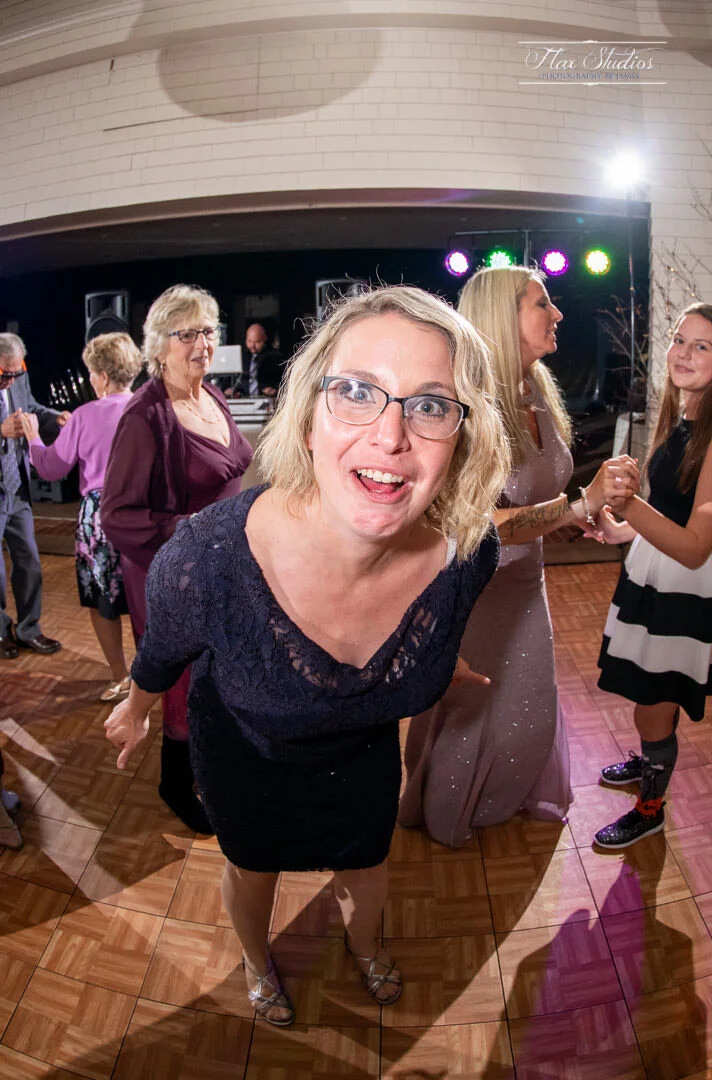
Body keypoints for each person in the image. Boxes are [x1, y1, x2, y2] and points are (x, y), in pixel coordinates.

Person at [104, 284, 510, 1027]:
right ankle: (257, 962)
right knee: (252, 866)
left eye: (429, 405)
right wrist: (135, 707)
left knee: (368, 858)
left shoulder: (467, 556)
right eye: (356, 392)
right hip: (247, 754)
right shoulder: (209, 558)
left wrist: (435, 661)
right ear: (307, 416)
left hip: (359, 755)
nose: (391, 437)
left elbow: (434, 627)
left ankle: (367, 946)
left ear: (465, 434)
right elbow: (163, 647)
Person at [399, 267, 637, 847]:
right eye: (542, 304)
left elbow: (539, 499)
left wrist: (583, 519)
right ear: (503, 318)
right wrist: (578, 506)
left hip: (528, 582)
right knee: (475, 708)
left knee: (527, 705)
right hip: (478, 591)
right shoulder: (468, 407)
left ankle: (502, 796)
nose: (557, 314)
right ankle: (450, 809)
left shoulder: (536, 389)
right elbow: (474, 525)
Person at [101, 285, 253, 833]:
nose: (201, 344)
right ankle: (175, 780)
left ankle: (213, 764)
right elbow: (117, 515)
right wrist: (191, 530)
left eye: (208, 331)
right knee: (184, 677)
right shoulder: (145, 418)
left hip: (223, 566)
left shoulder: (212, 395)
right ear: (158, 347)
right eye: (185, 334)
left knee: (219, 671)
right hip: (172, 575)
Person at [594, 302, 712, 848]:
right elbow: (668, 511)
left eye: (702, 346)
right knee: (650, 694)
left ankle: (651, 808)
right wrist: (621, 529)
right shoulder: (684, 414)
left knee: (654, 701)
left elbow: (694, 547)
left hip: (683, 589)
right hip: (654, 576)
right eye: (679, 340)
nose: (683, 354)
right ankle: (651, 757)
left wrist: (628, 504)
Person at [23, 333, 143, 701]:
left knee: (103, 601)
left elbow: (51, 468)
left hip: (100, 519)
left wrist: (33, 438)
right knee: (146, 598)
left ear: (103, 376)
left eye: (92, 373)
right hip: (143, 513)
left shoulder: (84, 415)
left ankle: (120, 677)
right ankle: (150, 679)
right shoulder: (150, 409)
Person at [0, 332, 69, 660]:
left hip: (18, 490)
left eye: (17, 373)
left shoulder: (18, 379)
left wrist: (55, 418)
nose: (11, 380)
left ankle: (29, 629)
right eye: (5, 374)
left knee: (29, 561)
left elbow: (32, 410)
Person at [226, 322, 285, 398]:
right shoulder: (241, 357)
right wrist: (230, 390)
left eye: (257, 342)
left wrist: (275, 389)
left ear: (265, 338)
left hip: (267, 398)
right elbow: (231, 380)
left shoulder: (276, 357)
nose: (252, 346)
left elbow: (284, 380)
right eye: (249, 341)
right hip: (243, 398)